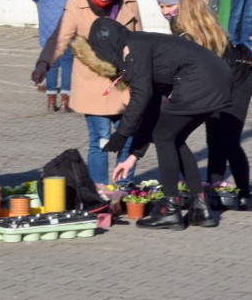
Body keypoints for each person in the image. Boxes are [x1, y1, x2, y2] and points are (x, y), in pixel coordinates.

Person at [74, 17, 233, 230]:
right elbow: (150, 112)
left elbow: (141, 96)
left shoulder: (134, 50)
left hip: (200, 80)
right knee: (174, 137)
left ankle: (170, 210)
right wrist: (132, 156)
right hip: (217, 78)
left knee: (163, 136)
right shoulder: (141, 46)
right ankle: (200, 207)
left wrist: (121, 135)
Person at [31, 0, 142, 186]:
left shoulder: (129, 2)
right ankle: (99, 190)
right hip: (94, 85)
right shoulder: (75, 5)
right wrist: (44, 63)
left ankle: (124, 188)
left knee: (128, 138)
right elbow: (59, 38)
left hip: (125, 83)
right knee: (100, 139)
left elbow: (141, 41)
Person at [155, 0, 252, 210]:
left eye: (169, 5)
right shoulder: (179, 22)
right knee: (214, 137)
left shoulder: (197, 22)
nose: (164, 11)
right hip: (215, 78)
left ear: (183, 2)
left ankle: (244, 194)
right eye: (161, 6)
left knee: (229, 140)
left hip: (237, 78)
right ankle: (214, 191)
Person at [28, 0, 87, 112]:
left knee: (50, 57)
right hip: (69, 18)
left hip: (47, 19)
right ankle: (66, 100)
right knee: (69, 58)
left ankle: (51, 99)